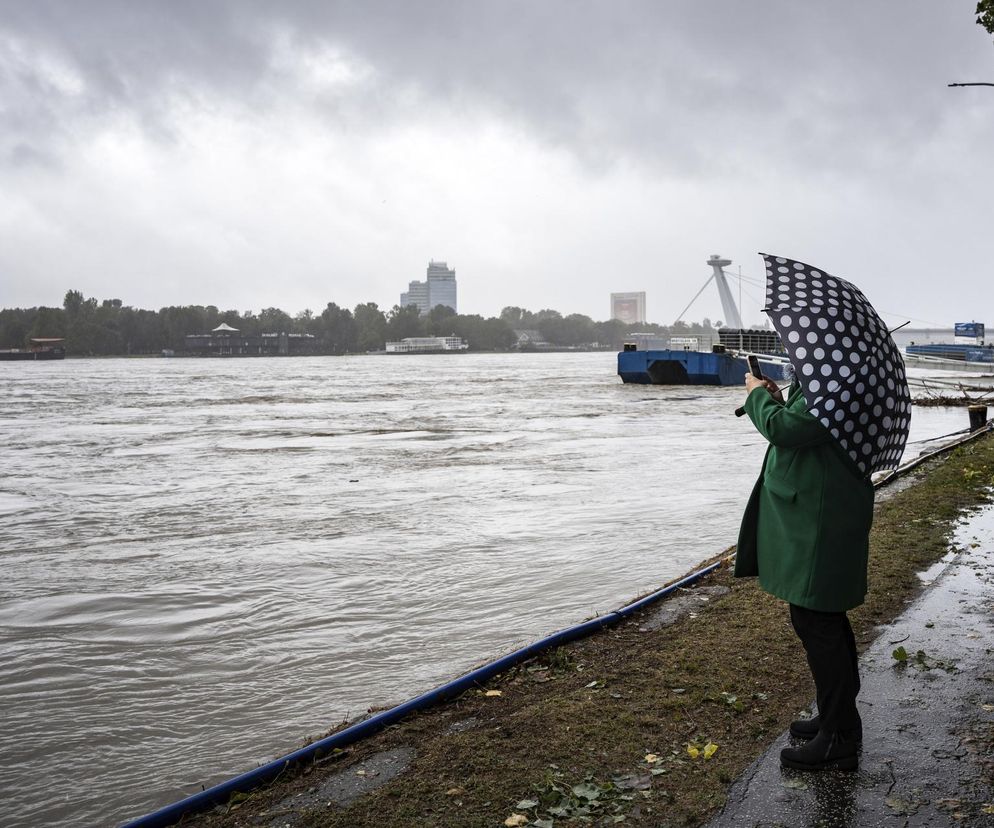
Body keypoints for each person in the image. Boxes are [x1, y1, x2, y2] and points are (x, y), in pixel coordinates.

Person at [735, 370, 875, 771]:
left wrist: (756, 397)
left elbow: (784, 430)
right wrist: (778, 397)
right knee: (824, 617)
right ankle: (840, 719)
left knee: (817, 620)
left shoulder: (835, 384)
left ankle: (839, 738)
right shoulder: (832, 381)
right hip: (821, 512)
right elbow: (801, 423)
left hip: (819, 520)